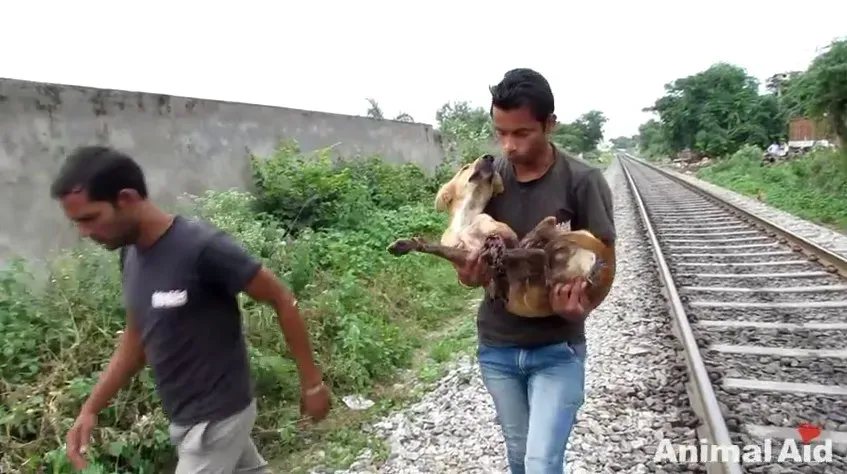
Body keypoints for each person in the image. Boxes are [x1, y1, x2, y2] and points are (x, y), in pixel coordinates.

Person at [49, 146, 331, 473]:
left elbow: (281, 299)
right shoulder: (131, 257)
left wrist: (312, 383)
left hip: (218, 418)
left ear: (126, 199)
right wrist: (90, 408)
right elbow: (135, 342)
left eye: (90, 218)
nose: (84, 233)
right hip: (185, 419)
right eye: (77, 223)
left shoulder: (202, 248)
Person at [455, 68, 616, 474]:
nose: (508, 145)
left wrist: (581, 308)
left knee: (542, 463)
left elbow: (604, 262)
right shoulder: (489, 180)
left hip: (556, 350)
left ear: (550, 124)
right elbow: (472, 257)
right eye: (500, 132)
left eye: (522, 133)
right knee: (518, 457)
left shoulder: (582, 181)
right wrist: (468, 274)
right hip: (498, 348)